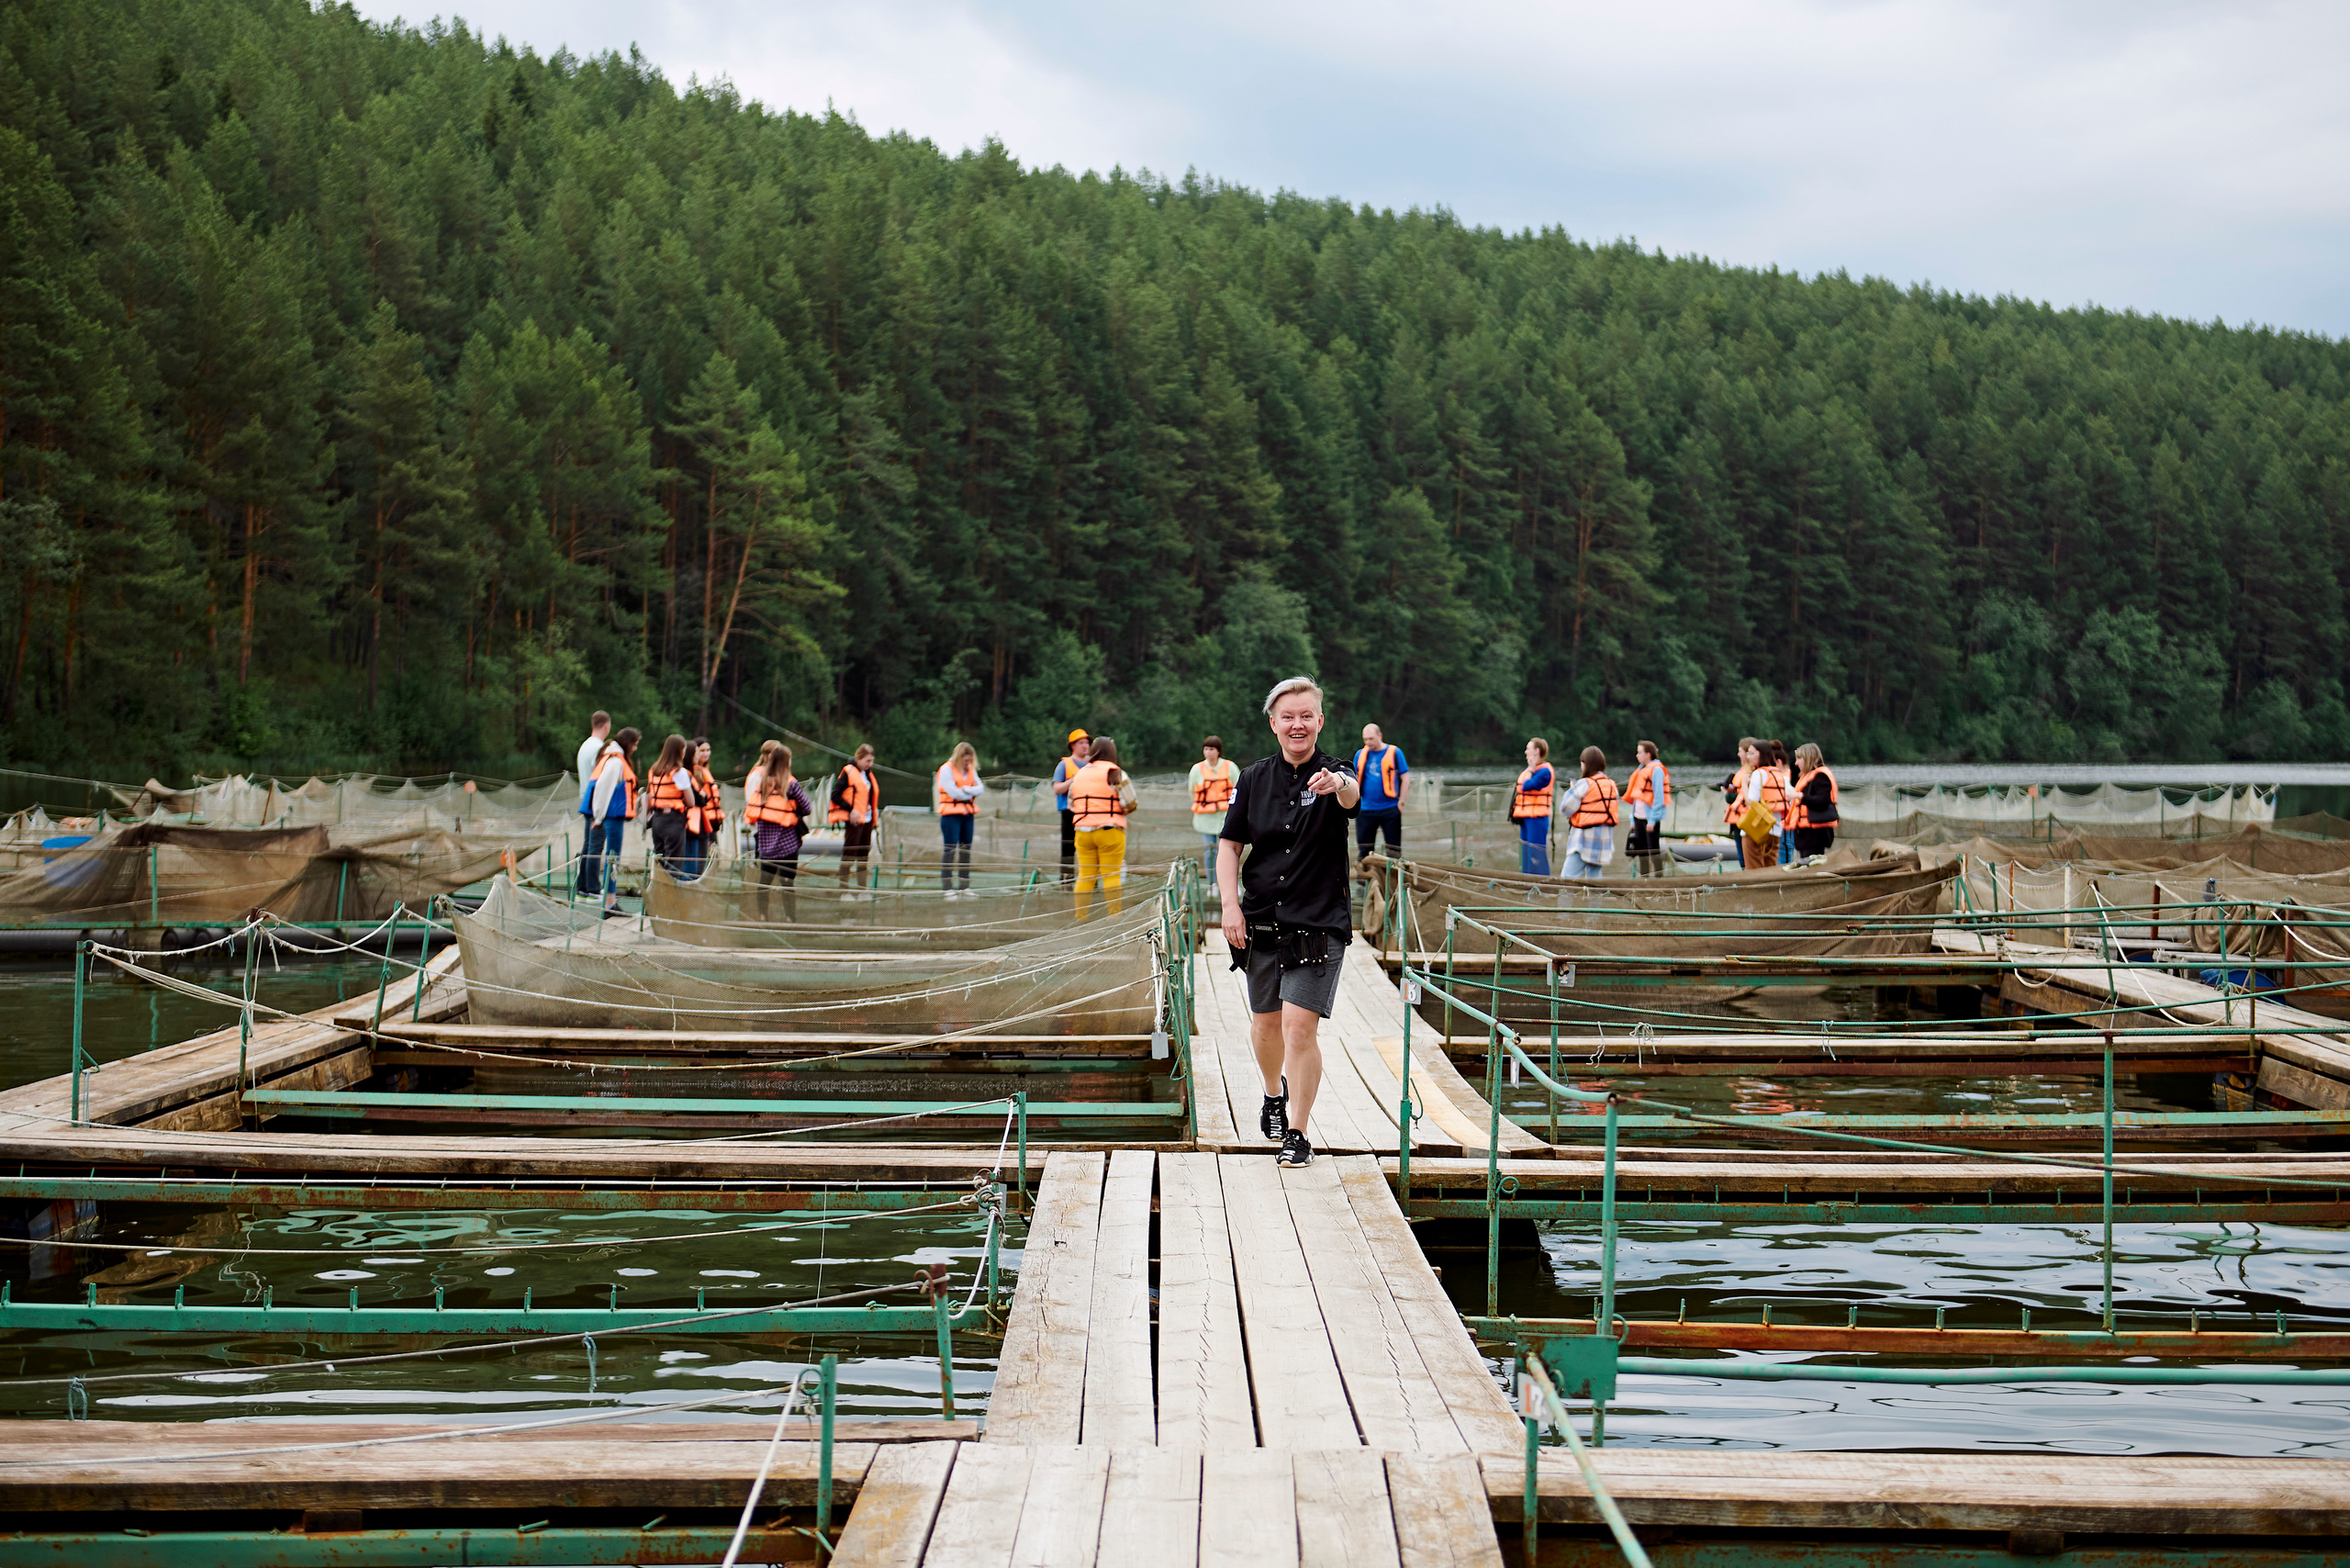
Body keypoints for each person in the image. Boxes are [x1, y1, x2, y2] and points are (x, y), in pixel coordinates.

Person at [1218, 676, 1360, 1170]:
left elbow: (1351, 794)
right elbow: (1229, 845)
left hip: (1318, 921)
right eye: (1288, 717)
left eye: (1307, 715)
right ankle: (1271, 1092)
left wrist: (1338, 783)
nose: (1297, 724)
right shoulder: (1254, 778)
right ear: (1274, 724)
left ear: (1319, 721)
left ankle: (1297, 1133)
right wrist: (1230, 905)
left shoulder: (1335, 770)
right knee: (1266, 1027)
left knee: (1300, 1029)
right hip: (1259, 919)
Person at [744, 739, 814, 921]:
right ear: (786, 762)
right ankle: (790, 918)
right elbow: (807, 808)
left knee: (764, 881)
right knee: (787, 881)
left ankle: (762, 916)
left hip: (767, 843)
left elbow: (754, 807)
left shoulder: (762, 784)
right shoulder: (790, 784)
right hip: (788, 842)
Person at [1068, 735, 1135, 920]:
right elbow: (1130, 802)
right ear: (1112, 752)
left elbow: (1072, 804)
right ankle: (1115, 917)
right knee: (1111, 876)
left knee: (1085, 876)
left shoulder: (1079, 774)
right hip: (1110, 832)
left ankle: (1080, 918)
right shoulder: (1116, 773)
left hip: (1082, 832)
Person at [582, 725, 639, 913]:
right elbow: (602, 789)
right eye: (635, 744)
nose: (636, 748)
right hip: (611, 818)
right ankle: (609, 904)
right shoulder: (615, 761)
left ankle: (610, 901)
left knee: (611, 858)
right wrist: (598, 818)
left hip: (611, 816)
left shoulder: (613, 757)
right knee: (612, 858)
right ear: (628, 744)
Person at [1188, 735, 1241, 892]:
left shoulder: (1230, 767)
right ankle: (1213, 884)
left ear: (1218, 751)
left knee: (1229, 851)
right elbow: (1192, 791)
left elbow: (1239, 790)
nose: (1208, 752)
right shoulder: (1197, 770)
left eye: (1212, 749)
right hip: (1205, 819)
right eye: (1206, 749)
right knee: (1209, 852)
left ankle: (1232, 885)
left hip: (1226, 818)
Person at [1352, 722, 1409, 866]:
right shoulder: (1360, 754)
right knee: (1364, 850)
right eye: (1365, 739)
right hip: (1365, 809)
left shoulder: (1395, 753)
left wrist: (1401, 803)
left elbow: (1406, 779)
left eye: (1371, 739)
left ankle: (1394, 880)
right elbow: (1353, 779)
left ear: (1380, 736)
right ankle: (1363, 882)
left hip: (1390, 809)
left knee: (1394, 850)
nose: (1368, 742)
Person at [1559, 746, 1620, 880]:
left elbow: (1565, 808)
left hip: (1583, 842)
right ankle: (1595, 902)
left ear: (1586, 764)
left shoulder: (1584, 784)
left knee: (1566, 880)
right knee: (1595, 882)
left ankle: (1564, 902)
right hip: (1603, 843)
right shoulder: (1611, 785)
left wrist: (1572, 789)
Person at [643, 734, 699, 878]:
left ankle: (658, 895)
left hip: (657, 820)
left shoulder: (654, 771)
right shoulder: (679, 772)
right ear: (680, 751)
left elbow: (649, 794)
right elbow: (691, 802)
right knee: (674, 864)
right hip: (673, 821)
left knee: (660, 860)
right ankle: (671, 897)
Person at [829, 744, 880, 894]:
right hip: (854, 822)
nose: (870, 764)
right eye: (867, 761)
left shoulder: (867, 774)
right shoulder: (848, 772)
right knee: (849, 855)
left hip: (867, 820)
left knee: (863, 857)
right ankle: (843, 890)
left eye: (871, 761)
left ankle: (862, 889)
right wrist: (850, 810)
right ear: (859, 758)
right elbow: (835, 795)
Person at [934, 742, 984, 896]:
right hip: (951, 815)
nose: (968, 763)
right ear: (959, 757)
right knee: (950, 849)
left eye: (970, 760)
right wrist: (969, 792)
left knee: (966, 850)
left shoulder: (970, 770)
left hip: (968, 815)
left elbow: (980, 788)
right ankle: (947, 888)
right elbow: (953, 793)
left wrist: (966, 789)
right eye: (965, 760)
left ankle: (964, 887)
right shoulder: (946, 769)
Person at [1734, 738, 1788, 871]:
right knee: (1770, 870)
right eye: (1748, 753)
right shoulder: (1778, 773)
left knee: (1753, 871)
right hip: (1775, 830)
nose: (1748, 757)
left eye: (1752, 753)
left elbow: (1751, 802)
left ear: (1762, 754)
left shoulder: (1758, 774)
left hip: (1755, 830)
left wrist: (1744, 785)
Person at [574, 711, 610, 894]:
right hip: (595, 802)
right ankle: (593, 888)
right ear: (606, 725)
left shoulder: (585, 745)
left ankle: (583, 886)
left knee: (588, 845)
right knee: (595, 846)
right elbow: (601, 777)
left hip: (585, 799)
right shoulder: (599, 747)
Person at [1626, 741, 1672, 877]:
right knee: (1641, 851)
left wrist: (1652, 820)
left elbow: (1659, 797)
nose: (1637, 755)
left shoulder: (1657, 770)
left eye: (1639, 752)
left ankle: (1658, 879)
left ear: (1648, 754)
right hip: (1638, 816)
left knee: (1653, 849)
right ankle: (1644, 878)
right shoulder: (1641, 769)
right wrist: (1632, 820)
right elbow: (1636, 796)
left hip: (1650, 818)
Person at [1510, 738, 1556, 876]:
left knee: (1536, 856)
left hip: (1537, 818)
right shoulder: (1533, 770)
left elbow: (1527, 786)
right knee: (1526, 856)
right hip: (1526, 817)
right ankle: (1527, 885)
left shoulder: (1544, 772)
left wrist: (1530, 770)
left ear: (1536, 751)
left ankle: (1542, 887)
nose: (1525, 752)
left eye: (1528, 748)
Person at [1051, 729, 1091, 884]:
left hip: (1088, 811)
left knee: (1088, 847)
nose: (1085, 746)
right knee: (1068, 847)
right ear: (1072, 746)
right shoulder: (1064, 765)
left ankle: (1089, 881)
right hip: (1068, 812)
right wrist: (1073, 780)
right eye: (1081, 743)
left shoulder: (1092, 763)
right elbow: (1056, 789)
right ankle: (1066, 881)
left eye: (1087, 743)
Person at [1787, 743, 1840, 860]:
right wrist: (1795, 758)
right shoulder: (1807, 776)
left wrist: (1801, 796)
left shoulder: (1820, 777)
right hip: (1806, 835)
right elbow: (1794, 779)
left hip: (1815, 835)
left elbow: (1823, 801)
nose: (1796, 763)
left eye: (1799, 759)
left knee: (1812, 864)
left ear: (1808, 758)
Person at [685, 736, 721, 880]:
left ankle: (700, 881)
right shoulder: (693, 772)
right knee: (698, 858)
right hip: (698, 820)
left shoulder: (704, 770)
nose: (705, 754)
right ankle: (696, 882)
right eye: (701, 751)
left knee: (707, 856)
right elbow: (698, 798)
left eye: (708, 750)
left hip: (709, 819)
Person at [1766, 738, 1797, 865]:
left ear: (1778, 762)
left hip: (1786, 826)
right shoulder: (1790, 777)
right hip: (1780, 825)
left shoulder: (1786, 780)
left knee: (1784, 857)